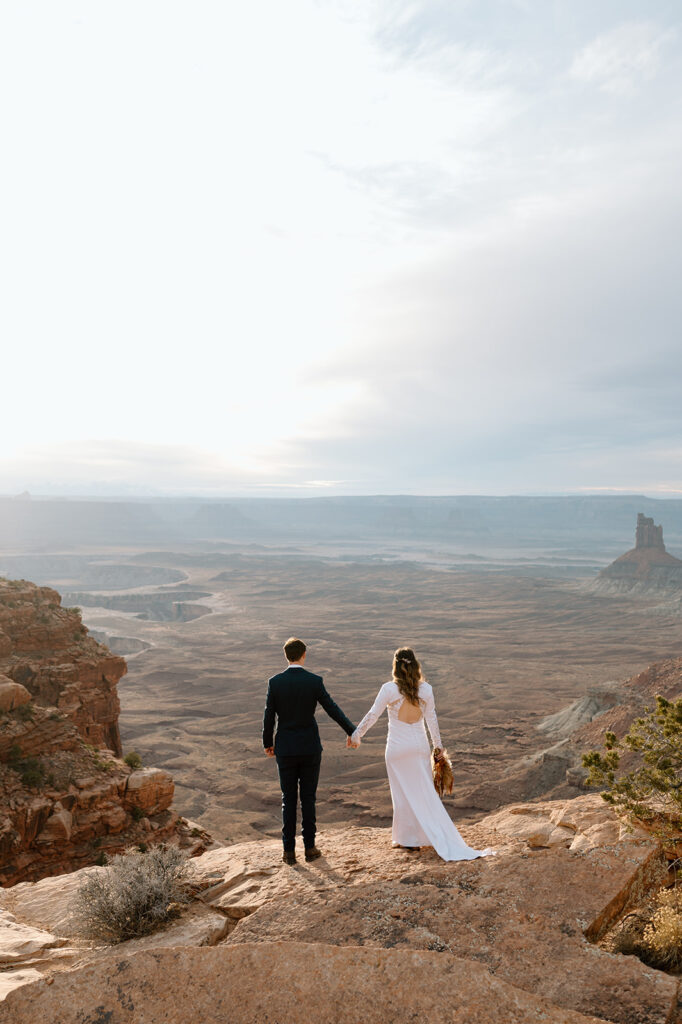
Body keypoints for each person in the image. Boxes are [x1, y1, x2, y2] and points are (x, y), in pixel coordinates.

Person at [348, 646, 495, 861]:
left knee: (401, 794)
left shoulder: (388, 689)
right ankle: (424, 836)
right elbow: (432, 721)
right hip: (418, 748)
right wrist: (438, 749)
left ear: (396, 667)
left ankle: (408, 840)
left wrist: (356, 735)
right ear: (416, 665)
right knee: (424, 793)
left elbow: (373, 715)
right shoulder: (426, 690)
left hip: (397, 750)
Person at [263, 636, 356, 865]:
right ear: (304, 655)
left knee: (288, 799)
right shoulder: (314, 681)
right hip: (309, 747)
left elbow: (269, 716)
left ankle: (288, 852)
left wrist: (267, 743)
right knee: (308, 798)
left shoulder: (275, 682)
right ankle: (310, 848)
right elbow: (332, 709)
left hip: (285, 748)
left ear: (287, 656)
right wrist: (351, 731)